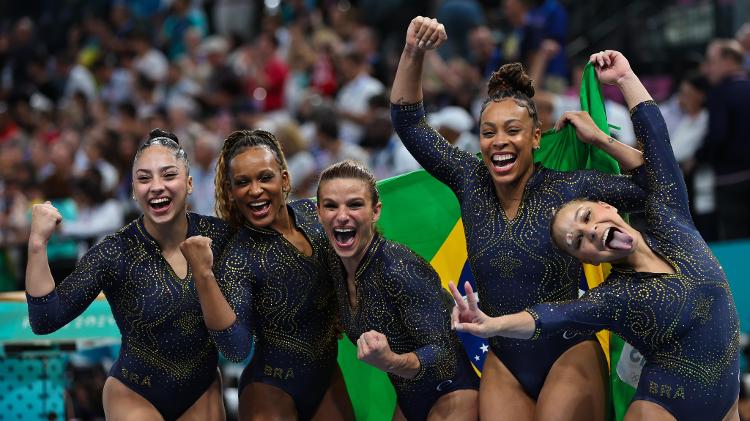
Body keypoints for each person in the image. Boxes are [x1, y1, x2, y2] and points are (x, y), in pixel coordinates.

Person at [451, 50, 740, 421]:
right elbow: (548, 317)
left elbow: (658, 153)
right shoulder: (613, 297)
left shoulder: (671, 222)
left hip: (727, 405)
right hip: (659, 410)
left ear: (608, 207)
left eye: (587, 216)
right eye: (577, 242)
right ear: (586, 260)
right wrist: (492, 325)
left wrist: (623, 84)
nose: (589, 232)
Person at [390, 17, 646, 420]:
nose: (499, 142)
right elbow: (409, 122)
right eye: (488, 132)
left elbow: (649, 186)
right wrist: (413, 52)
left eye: (513, 130)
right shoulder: (469, 181)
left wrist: (600, 139)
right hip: (505, 357)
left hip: (567, 349)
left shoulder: (566, 188)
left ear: (536, 137)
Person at [26, 129, 234, 420]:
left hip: (201, 392)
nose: (156, 186)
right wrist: (37, 245)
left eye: (168, 175)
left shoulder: (220, 237)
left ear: (189, 184)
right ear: (134, 191)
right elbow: (45, 319)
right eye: (144, 178)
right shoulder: (115, 251)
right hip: (135, 393)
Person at [180, 129, 353, 421]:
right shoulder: (238, 257)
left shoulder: (315, 214)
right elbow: (235, 348)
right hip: (270, 392)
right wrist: (204, 275)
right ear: (231, 191)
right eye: (243, 182)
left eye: (264, 177)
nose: (255, 190)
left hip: (327, 379)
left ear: (284, 179)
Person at [316, 160, 479, 420]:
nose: (342, 215)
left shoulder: (399, 268)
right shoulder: (331, 259)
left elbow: (442, 355)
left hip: (452, 392)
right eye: (331, 206)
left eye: (355, 204)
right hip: (408, 398)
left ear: (375, 211)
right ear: (318, 213)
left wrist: (390, 361)